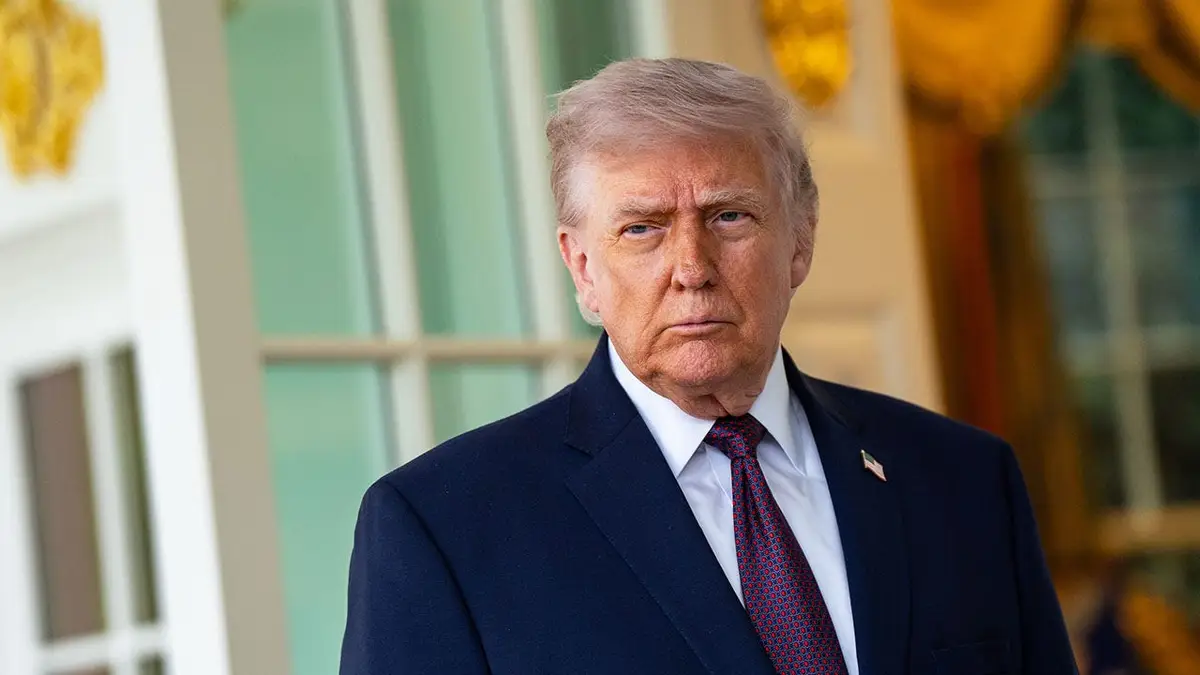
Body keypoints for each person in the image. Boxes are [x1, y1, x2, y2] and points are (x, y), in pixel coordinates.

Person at [340, 58, 1079, 675]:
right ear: (583, 267)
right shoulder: (442, 527)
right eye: (643, 228)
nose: (691, 268)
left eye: (729, 216)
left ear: (800, 240)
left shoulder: (966, 480)